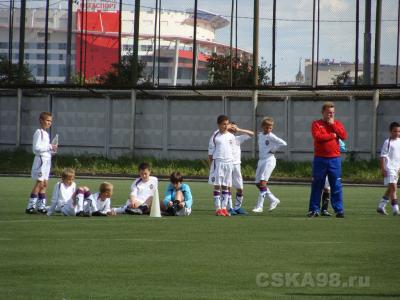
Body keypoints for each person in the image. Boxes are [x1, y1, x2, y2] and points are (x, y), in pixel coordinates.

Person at [308, 101, 347, 218]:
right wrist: (333, 135)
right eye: (329, 113)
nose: (331, 115)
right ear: (323, 112)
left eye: (333, 113)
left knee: (336, 185)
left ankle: (339, 210)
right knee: (317, 185)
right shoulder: (316, 124)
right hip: (320, 159)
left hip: (334, 159)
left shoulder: (337, 124)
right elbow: (318, 137)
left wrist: (333, 125)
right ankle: (314, 210)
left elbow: (344, 136)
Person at [25, 111, 58, 214]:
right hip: (41, 160)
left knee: (45, 184)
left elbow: (45, 148)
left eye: (51, 121)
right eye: (47, 120)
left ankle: (41, 206)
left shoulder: (46, 133)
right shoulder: (38, 132)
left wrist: (52, 150)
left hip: (47, 160)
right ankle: (30, 206)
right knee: (39, 183)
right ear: (41, 120)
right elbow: (37, 148)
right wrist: (49, 146)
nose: (49, 123)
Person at [253, 117, 287, 213]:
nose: (268, 129)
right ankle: (273, 199)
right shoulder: (260, 135)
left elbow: (283, 143)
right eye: (267, 127)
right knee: (257, 183)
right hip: (261, 161)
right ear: (263, 127)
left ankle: (260, 206)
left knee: (263, 183)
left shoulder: (271, 136)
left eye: (270, 127)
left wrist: (273, 150)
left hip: (269, 160)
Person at [208, 115, 235, 217]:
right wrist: (212, 165)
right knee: (217, 185)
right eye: (224, 124)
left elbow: (233, 151)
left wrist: (232, 162)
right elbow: (210, 153)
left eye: (227, 124)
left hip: (228, 163)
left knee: (226, 186)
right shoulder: (215, 136)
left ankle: (224, 208)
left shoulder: (231, 136)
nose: (226, 126)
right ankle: (218, 208)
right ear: (219, 125)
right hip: (218, 162)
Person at [227, 122, 254, 215]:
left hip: (237, 166)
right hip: (227, 165)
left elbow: (252, 134)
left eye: (233, 127)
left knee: (240, 188)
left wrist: (239, 130)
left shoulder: (238, 139)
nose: (232, 128)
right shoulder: (223, 138)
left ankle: (238, 207)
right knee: (228, 187)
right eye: (230, 126)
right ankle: (230, 208)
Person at [376, 122, 400, 216]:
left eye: (399, 131)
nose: (397, 133)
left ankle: (381, 206)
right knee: (393, 187)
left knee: (390, 188)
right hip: (389, 167)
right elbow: (382, 156)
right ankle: (395, 209)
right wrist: (383, 169)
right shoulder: (387, 142)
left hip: (396, 168)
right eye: (395, 131)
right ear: (390, 131)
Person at [320, 139, 346, 217]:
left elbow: (343, 147)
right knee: (325, 187)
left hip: (333, 163)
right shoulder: (323, 136)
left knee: (328, 187)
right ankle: (321, 209)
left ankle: (324, 209)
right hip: (323, 162)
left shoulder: (336, 138)